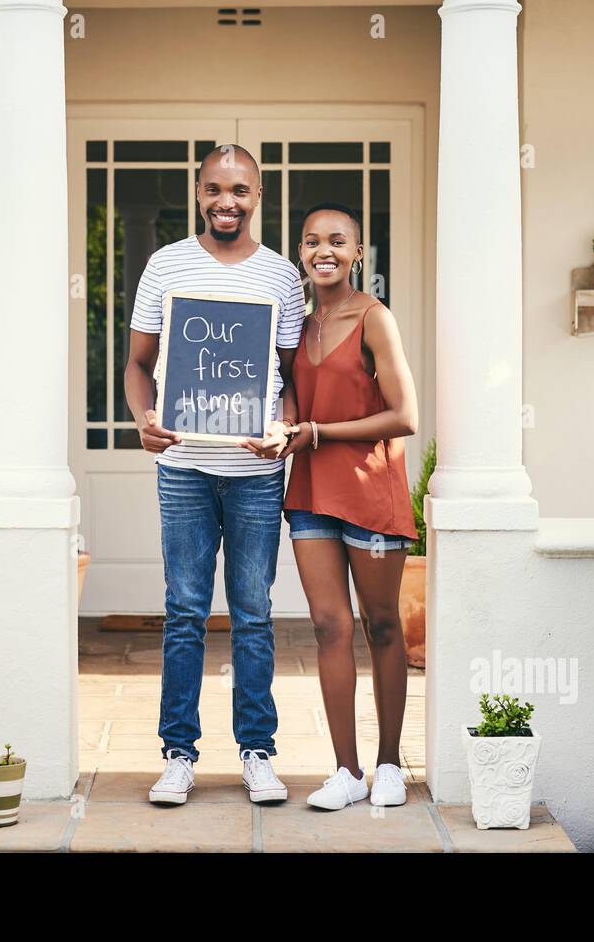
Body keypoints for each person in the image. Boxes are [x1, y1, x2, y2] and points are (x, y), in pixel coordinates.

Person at [124, 144, 305, 806]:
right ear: (197, 191)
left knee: (254, 615)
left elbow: (291, 378)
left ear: (258, 196)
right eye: (214, 189)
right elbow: (137, 365)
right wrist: (144, 418)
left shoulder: (281, 276)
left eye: (239, 190)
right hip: (184, 469)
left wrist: (284, 428)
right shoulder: (166, 264)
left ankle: (257, 751)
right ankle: (178, 754)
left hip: (256, 473)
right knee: (184, 613)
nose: (226, 201)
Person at [242, 201, 419, 810]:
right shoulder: (298, 325)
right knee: (327, 625)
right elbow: (293, 393)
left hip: (369, 488)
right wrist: (283, 427)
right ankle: (346, 771)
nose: (325, 250)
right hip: (311, 491)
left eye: (337, 241)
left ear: (358, 253)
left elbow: (405, 416)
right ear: (300, 252)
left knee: (383, 623)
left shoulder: (375, 317)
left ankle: (390, 764)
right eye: (312, 240)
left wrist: (318, 433)